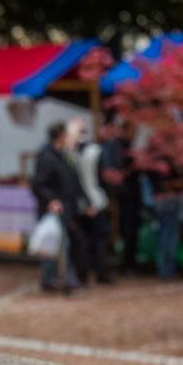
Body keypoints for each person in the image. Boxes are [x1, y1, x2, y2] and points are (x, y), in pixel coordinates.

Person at [31, 121, 90, 292]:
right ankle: (69, 280)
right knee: (62, 245)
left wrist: (84, 201)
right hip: (54, 209)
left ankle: (49, 279)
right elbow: (38, 184)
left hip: (66, 207)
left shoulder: (62, 155)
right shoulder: (47, 157)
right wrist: (51, 200)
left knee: (57, 244)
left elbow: (73, 180)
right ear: (61, 136)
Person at [73, 119, 114, 284]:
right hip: (96, 198)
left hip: (78, 202)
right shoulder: (96, 150)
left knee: (81, 240)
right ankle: (102, 273)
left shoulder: (70, 151)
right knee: (98, 239)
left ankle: (82, 274)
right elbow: (104, 178)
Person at [99, 118, 142, 274]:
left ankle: (129, 263)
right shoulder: (118, 147)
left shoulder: (122, 146)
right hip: (126, 196)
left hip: (129, 195)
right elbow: (117, 174)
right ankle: (128, 264)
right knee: (128, 230)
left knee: (130, 230)